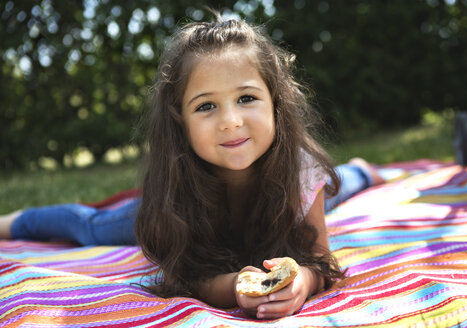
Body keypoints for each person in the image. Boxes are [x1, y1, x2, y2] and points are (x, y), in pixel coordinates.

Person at [0, 17, 384, 319]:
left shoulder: (301, 172)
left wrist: (303, 279)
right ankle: (14, 220)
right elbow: (185, 277)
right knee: (89, 226)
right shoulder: (174, 186)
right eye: (206, 106)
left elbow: (319, 262)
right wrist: (235, 286)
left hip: (283, 194)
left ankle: (361, 171)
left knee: (332, 188)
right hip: (175, 208)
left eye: (247, 98)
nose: (230, 121)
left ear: (276, 103)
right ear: (180, 121)